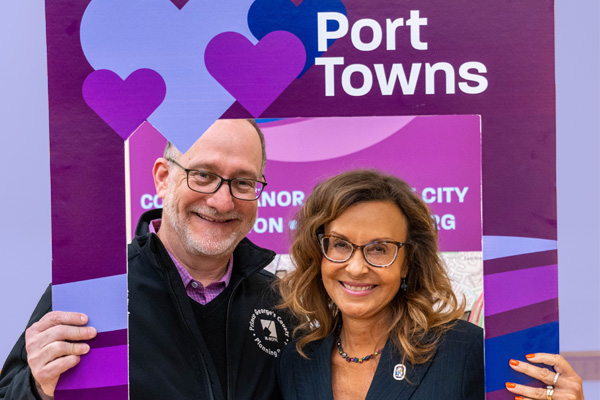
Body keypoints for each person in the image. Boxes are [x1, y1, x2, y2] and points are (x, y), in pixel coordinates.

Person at [0, 119, 292, 400]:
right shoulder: (93, 293)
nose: (222, 201)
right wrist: (36, 389)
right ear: (163, 178)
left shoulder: (282, 303)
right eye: (203, 175)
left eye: (242, 182)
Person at [277, 169, 585, 400]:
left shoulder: (468, 351)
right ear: (318, 253)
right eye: (340, 245)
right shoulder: (296, 359)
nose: (356, 268)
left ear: (408, 261)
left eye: (380, 248)